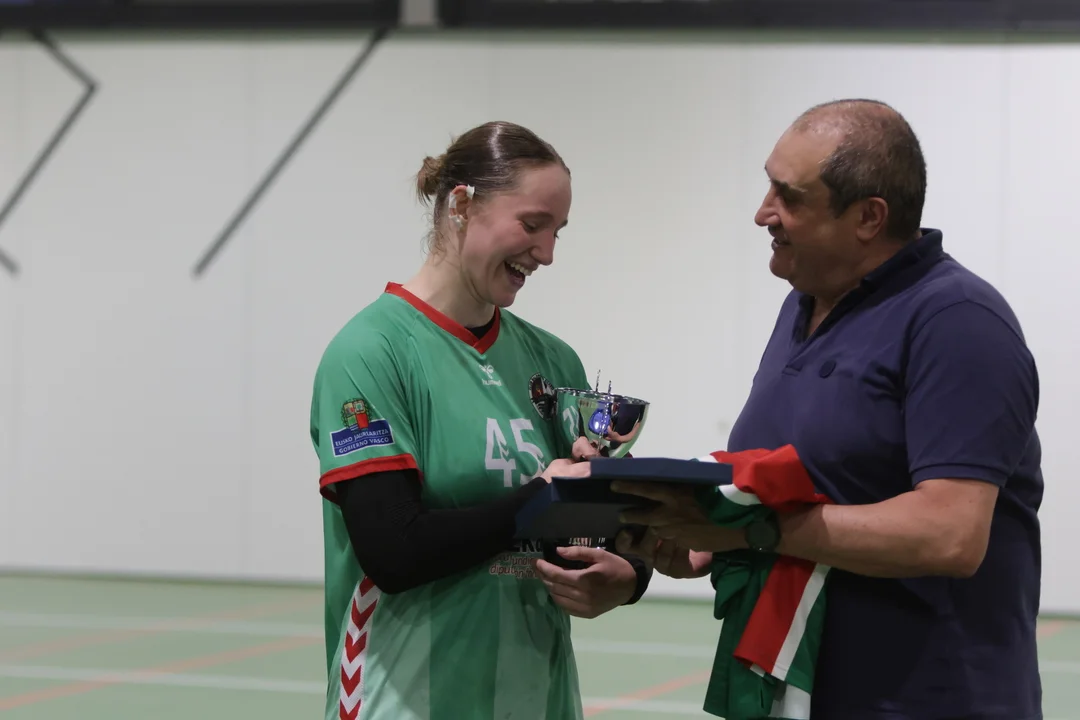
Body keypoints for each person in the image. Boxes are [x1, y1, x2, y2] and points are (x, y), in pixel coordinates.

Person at [608, 99, 1044, 719]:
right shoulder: (804, 304)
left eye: (789, 197)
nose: (763, 212)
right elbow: (807, 485)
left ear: (868, 217)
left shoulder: (958, 321)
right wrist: (696, 541)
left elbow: (950, 534)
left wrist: (750, 531)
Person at [308, 121, 651, 720]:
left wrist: (629, 577)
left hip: (537, 700)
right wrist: (541, 497)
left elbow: (595, 527)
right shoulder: (371, 352)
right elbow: (394, 553)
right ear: (463, 204)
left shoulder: (552, 361)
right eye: (532, 224)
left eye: (557, 232)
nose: (546, 253)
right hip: (404, 699)